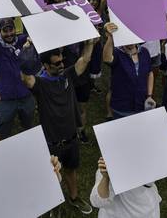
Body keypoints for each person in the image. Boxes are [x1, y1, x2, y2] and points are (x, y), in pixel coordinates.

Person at [20, 41, 96, 215]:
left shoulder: (67, 75)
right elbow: (25, 77)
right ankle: (55, 206)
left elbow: (84, 60)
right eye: (57, 63)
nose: (62, 65)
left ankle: (74, 197)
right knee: (53, 176)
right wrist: (26, 51)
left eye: (62, 61)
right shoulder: (40, 84)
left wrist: (90, 42)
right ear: (45, 65)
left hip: (71, 138)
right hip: (52, 143)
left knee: (71, 170)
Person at [0, 17, 36, 141]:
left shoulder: (22, 40)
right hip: (6, 98)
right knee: (2, 132)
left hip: (26, 94)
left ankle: (30, 146)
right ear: (0, 32)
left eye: (11, 29)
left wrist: (32, 40)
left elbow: (35, 37)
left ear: (15, 29)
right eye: (5, 31)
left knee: (29, 127)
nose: (9, 34)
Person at [102, 22, 155, 119]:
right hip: (122, 106)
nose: (130, 41)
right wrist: (111, 38)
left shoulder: (144, 52)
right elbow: (106, 58)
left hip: (141, 104)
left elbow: (150, 73)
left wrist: (149, 95)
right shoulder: (117, 53)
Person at [90, 157, 161, 217]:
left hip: (149, 208)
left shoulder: (147, 160)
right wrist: (106, 178)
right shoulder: (111, 166)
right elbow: (98, 201)